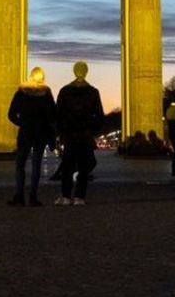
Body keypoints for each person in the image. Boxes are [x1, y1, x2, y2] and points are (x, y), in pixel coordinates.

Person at [54, 61, 104, 205]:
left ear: (74, 72)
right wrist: (92, 131)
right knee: (83, 168)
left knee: (67, 167)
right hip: (85, 135)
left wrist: (61, 132)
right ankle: (79, 197)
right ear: (86, 72)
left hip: (69, 135)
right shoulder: (93, 92)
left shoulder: (65, 91)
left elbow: (58, 114)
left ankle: (65, 196)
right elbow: (100, 116)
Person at [7, 66, 57, 206]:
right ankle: (33, 196)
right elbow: (53, 115)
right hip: (41, 133)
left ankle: (19, 195)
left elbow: (11, 114)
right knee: (36, 165)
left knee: (20, 164)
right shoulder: (46, 93)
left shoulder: (21, 92)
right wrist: (51, 134)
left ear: (30, 76)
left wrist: (22, 123)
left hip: (25, 132)